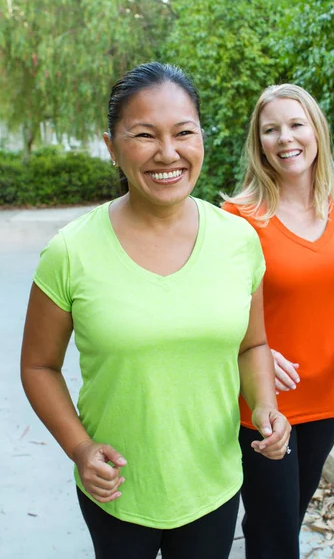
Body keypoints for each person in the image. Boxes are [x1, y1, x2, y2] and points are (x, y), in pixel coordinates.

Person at [20, 63, 291, 559]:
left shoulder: (238, 242)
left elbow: (253, 344)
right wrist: (80, 449)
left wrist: (266, 406)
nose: (168, 153)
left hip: (212, 482)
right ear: (112, 145)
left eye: (184, 133)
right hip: (118, 490)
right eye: (144, 135)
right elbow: (38, 366)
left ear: (201, 137)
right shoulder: (71, 251)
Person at [222, 83, 334, 559]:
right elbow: (217, 306)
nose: (285, 138)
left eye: (296, 124)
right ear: (259, 143)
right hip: (265, 404)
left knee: (285, 516)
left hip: (328, 395)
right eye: (270, 130)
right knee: (275, 534)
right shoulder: (238, 219)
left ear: (317, 131)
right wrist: (256, 351)